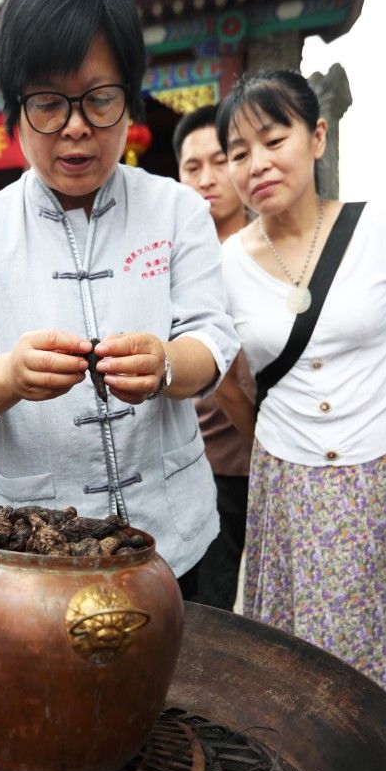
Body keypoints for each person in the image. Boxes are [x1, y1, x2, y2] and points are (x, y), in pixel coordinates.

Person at [0, 0, 239, 593]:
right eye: (47, 103)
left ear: (131, 99)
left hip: (174, 535)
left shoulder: (177, 211)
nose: (75, 126)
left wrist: (167, 364)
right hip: (39, 548)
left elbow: (214, 340)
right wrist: (8, 374)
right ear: (16, 111)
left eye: (99, 98)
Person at [215, 69, 386, 716]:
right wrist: (275, 445)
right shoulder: (225, 265)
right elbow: (226, 382)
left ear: (316, 136)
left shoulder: (384, 227)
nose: (257, 164)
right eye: (238, 153)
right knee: (305, 657)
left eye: (273, 140)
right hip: (290, 484)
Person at [173, 105, 255, 611]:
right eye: (191, 167)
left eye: (220, 160)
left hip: (280, 458)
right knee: (213, 605)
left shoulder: (270, 250)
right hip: (210, 461)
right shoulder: (174, 258)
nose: (206, 179)